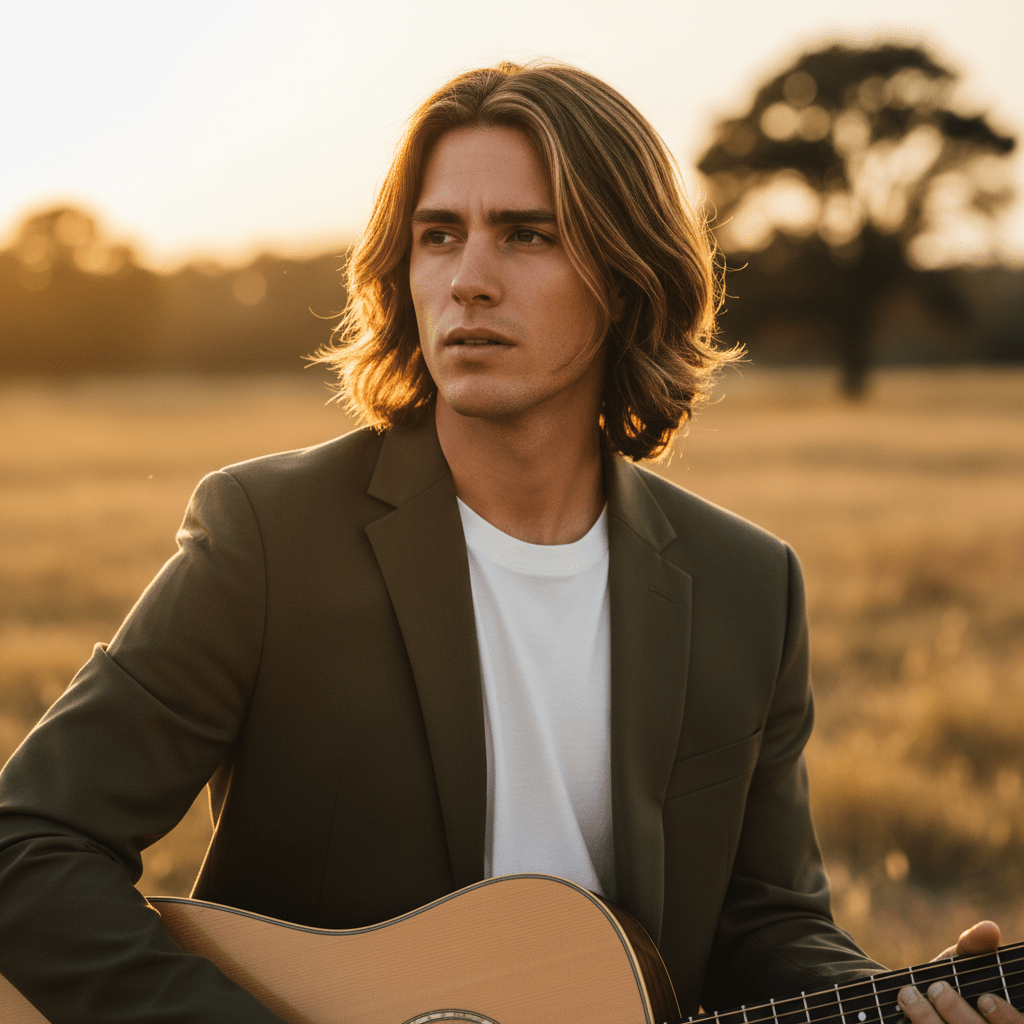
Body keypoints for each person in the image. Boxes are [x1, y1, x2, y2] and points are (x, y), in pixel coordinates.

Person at [0, 60, 1017, 1024]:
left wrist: (895, 1001)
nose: (469, 279)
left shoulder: (748, 584)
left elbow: (765, 920)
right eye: (439, 235)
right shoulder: (269, 535)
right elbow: (28, 841)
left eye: (527, 235)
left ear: (626, 276)